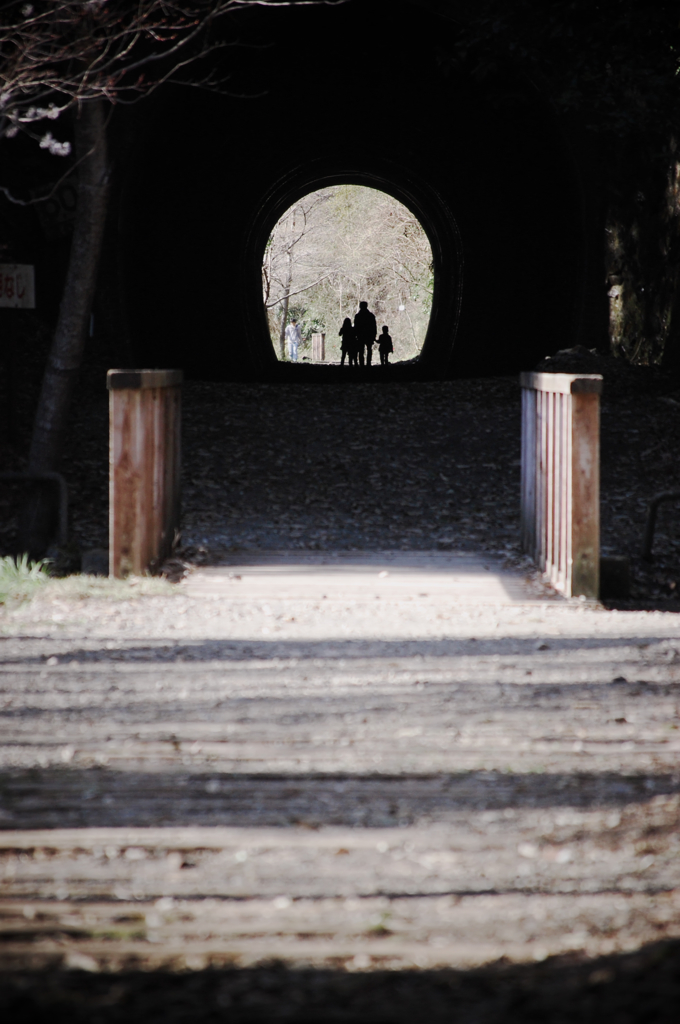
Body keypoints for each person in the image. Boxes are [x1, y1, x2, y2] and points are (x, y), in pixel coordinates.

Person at [353, 300, 377, 367]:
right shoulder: (371, 316)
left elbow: (356, 326)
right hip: (369, 335)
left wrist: (355, 335)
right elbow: (374, 326)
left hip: (360, 335)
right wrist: (374, 335)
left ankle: (362, 364)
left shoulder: (357, 316)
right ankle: (368, 363)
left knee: (361, 350)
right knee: (369, 349)